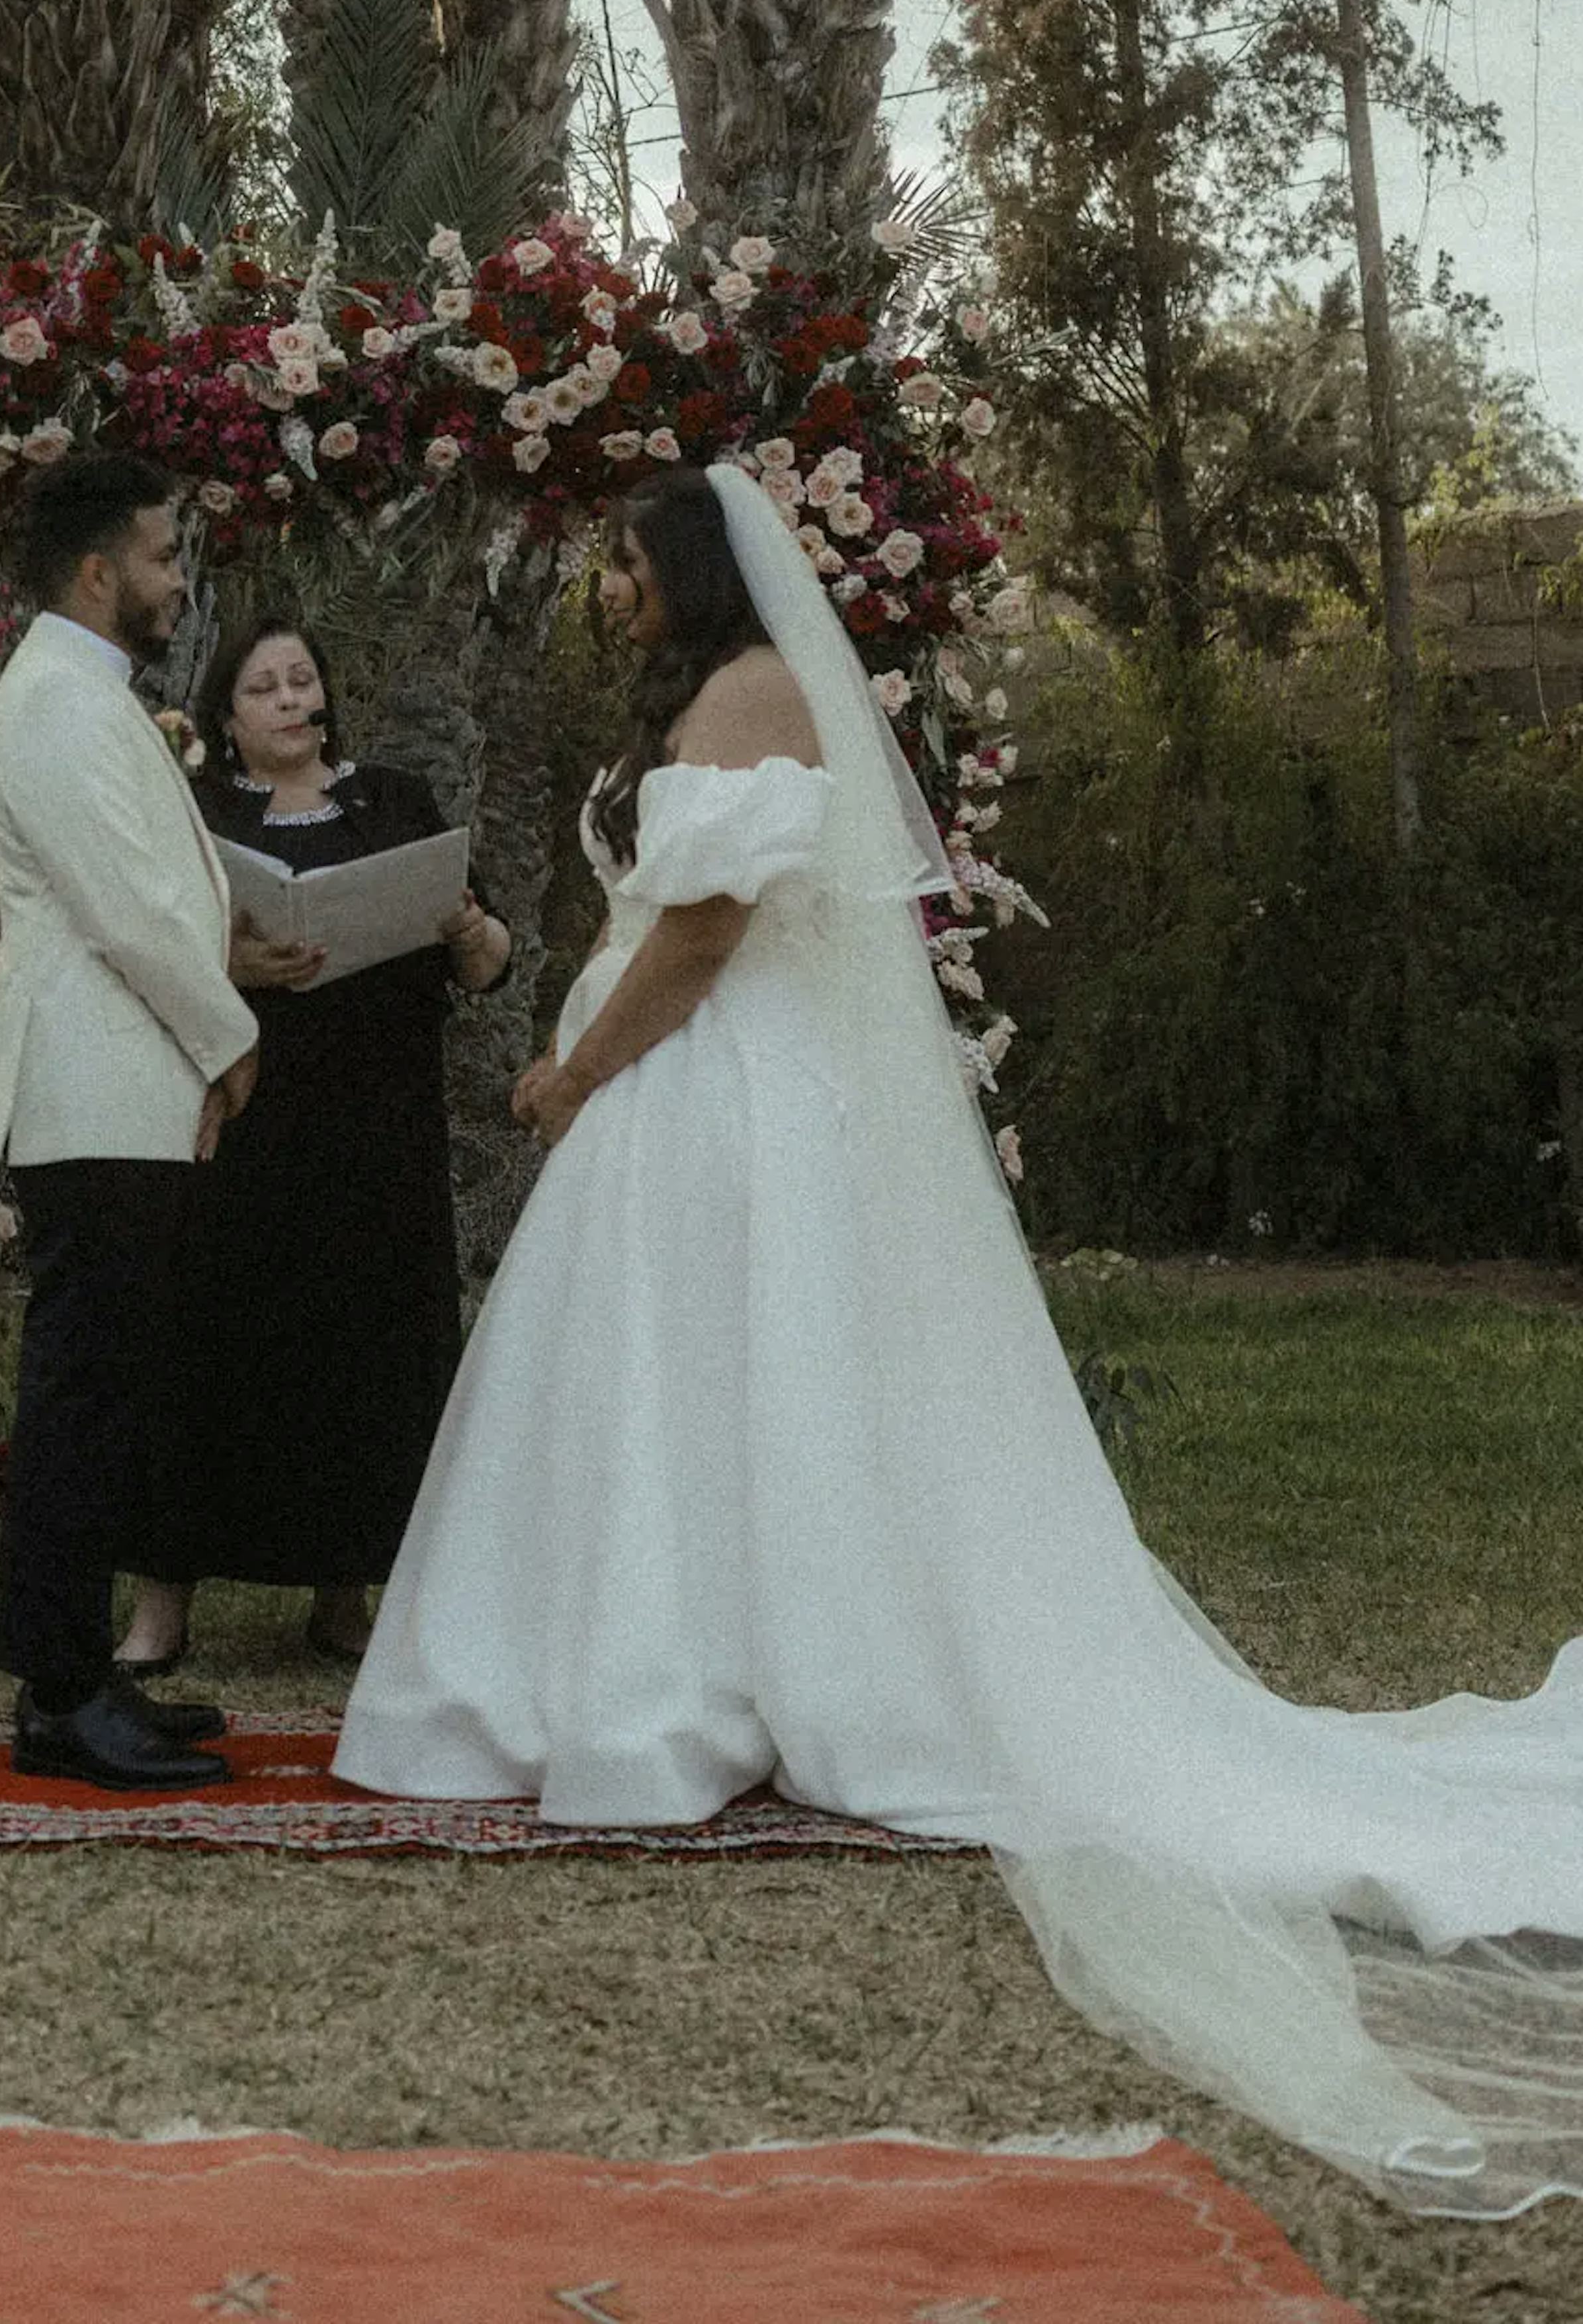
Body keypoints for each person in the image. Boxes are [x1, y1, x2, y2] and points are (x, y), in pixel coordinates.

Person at [337, 460, 1583, 2219]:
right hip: (684, 1094)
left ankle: (711, 1681)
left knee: (732, 1381)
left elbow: (702, 931)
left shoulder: (754, 688)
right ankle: (661, 1666)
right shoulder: (698, 696)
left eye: (621, 563)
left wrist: (573, 1071)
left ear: (688, 567)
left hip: (718, 1089)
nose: (607, 589)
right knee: (668, 1396)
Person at [114, 615, 509, 1680]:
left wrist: (475, 937)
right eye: (264, 686)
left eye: (303, 681)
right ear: (226, 716)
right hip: (242, 1116)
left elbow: (485, 955)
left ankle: (346, 1595)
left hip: (378, 1127)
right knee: (203, 1339)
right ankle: (161, 1605)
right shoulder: (197, 815)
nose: (291, 699)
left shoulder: (394, 803)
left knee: (365, 1346)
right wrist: (237, 963)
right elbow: (145, 946)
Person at [0, 450, 260, 1791]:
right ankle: (58, 1696)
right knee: (81, 1400)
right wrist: (230, 1038)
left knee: (105, 1395)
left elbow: (158, 891)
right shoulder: (59, 705)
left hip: (123, 1089)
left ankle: (83, 1678)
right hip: (95, 1089)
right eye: (161, 554)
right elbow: (128, 910)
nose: (176, 578)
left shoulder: (86, 695)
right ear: (96, 570)